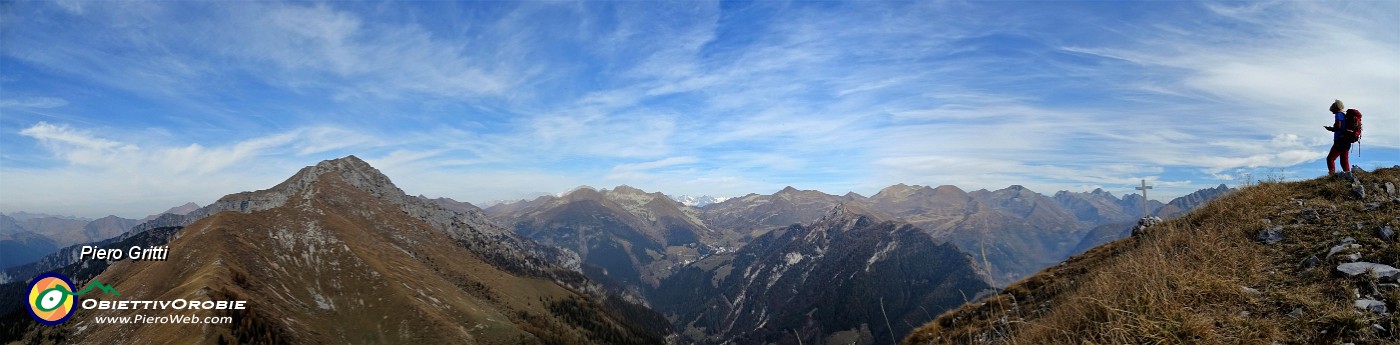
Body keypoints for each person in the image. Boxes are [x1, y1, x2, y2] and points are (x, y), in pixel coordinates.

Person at [1323, 99, 1350, 175]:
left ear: (1335, 108)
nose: (1332, 112)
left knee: (1330, 158)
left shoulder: (1338, 115)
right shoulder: (1344, 115)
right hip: (1347, 140)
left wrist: (1331, 129)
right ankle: (1348, 174)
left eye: (1332, 110)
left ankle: (1332, 175)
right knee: (1344, 159)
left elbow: (1338, 127)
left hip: (1340, 140)